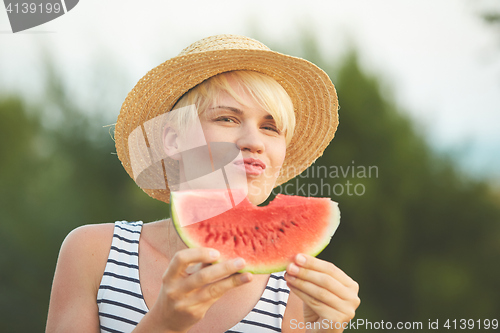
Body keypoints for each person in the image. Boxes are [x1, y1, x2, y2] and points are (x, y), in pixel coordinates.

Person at [46, 34, 360, 333]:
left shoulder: (297, 289)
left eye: (271, 127)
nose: (254, 142)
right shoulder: (94, 253)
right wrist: (162, 325)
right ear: (173, 140)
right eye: (227, 118)